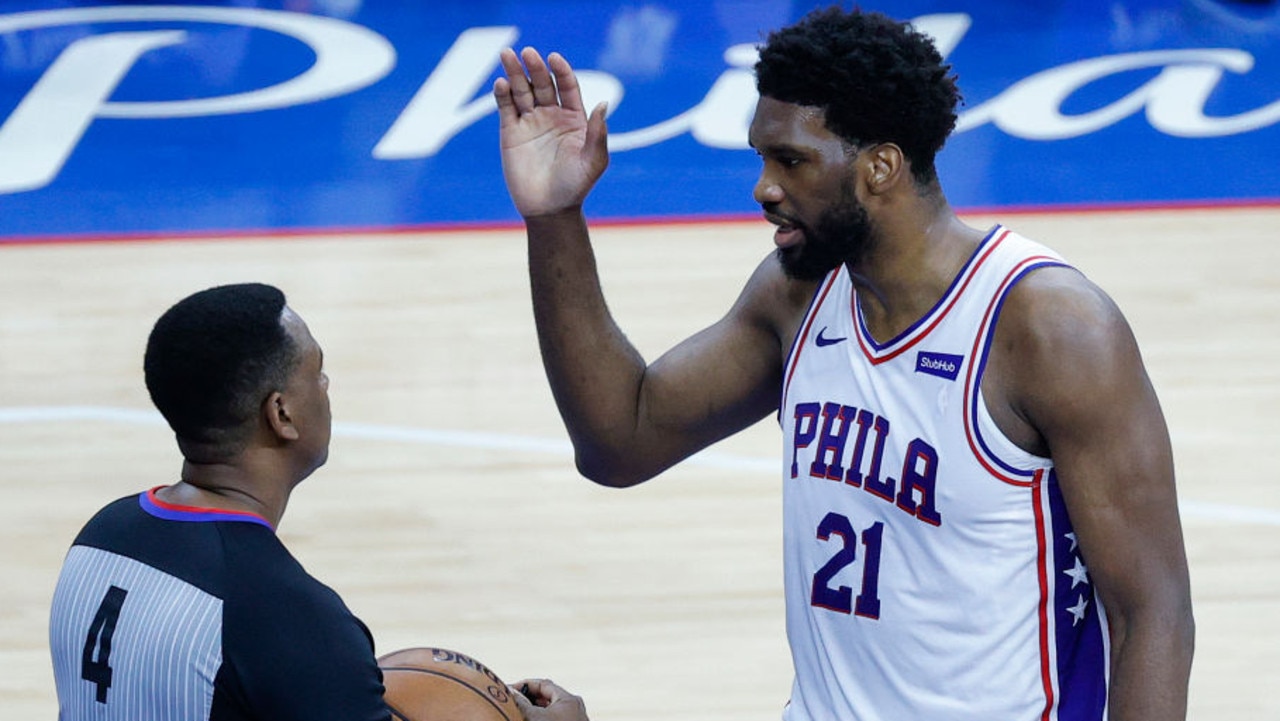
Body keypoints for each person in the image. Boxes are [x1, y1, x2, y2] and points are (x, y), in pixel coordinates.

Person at [493, 7, 1194, 720]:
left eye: (790, 160)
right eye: (761, 157)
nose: (762, 187)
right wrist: (554, 217)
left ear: (880, 166)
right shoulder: (799, 296)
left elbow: (1152, 612)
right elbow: (621, 439)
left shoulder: (1049, 328)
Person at [48, 283, 390, 721]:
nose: (325, 385)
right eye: (316, 370)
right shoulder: (290, 620)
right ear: (281, 413)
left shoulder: (103, 533)